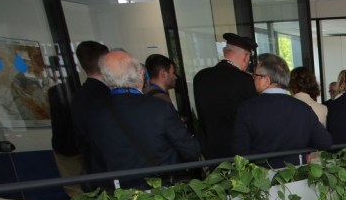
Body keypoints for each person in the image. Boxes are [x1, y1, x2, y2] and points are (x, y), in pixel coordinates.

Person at [84, 50, 200, 180]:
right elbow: (191, 151)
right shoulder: (158, 107)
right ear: (141, 75)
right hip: (164, 190)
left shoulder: (95, 112)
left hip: (121, 193)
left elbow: (96, 158)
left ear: (105, 78)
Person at [230, 53, 331, 166]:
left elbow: (239, 152)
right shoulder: (303, 108)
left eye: (256, 76)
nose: (254, 79)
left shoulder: (247, 109)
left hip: (261, 178)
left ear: (266, 80)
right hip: (297, 176)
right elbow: (325, 142)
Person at [192, 32, 257, 160]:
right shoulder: (245, 81)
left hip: (209, 150)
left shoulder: (200, 77)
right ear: (246, 56)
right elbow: (253, 118)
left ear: (224, 51)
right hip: (239, 151)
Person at [69, 40, 111, 176]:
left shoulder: (80, 94)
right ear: (103, 63)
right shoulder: (103, 95)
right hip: (106, 167)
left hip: (93, 165)